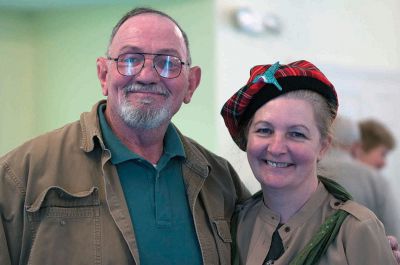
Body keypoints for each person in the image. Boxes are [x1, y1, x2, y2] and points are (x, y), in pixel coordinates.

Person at [0, 7, 250, 265]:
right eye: (130, 59)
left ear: (191, 84)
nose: (147, 76)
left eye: (168, 63)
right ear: (103, 74)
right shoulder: (20, 175)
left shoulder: (221, 180)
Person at [221, 60, 398, 264]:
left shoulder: (356, 229)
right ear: (247, 138)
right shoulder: (235, 225)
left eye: (296, 134)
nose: (277, 148)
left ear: (323, 146)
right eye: (264, 130)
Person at [319, 115, 400, 239]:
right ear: (358, 148)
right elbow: (394, 240)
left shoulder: (301, 173)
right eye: (382, 154)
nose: (384, 163)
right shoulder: (376, 182)